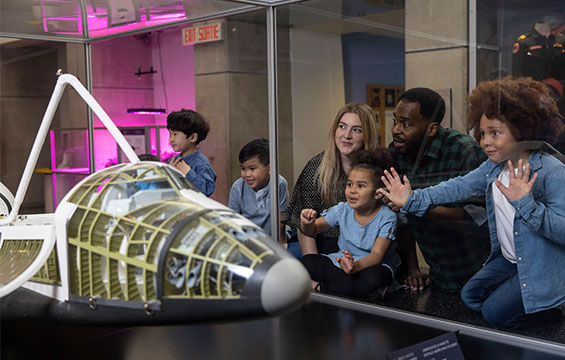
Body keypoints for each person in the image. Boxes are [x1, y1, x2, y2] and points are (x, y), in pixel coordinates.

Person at [380, 77, 565, 329]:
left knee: (493, 314)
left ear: (522, 131)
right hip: (510, 261)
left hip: (539, 267)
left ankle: (552, 306)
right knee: (471, 296)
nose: (485, 141)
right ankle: (531, 300)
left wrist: (526, 204)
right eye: (482, 133)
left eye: (495, 133)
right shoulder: (493, 166)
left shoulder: (552, 172)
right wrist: (412, 199)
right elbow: (457, 186)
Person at [388, 87, 490, 292]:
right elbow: (402, 221)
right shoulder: (396, 153)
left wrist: (415, 205)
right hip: (438, 275)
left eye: (406, 124)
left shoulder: (464, 150)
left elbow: (478, 219)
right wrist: (413, 268)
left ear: (432, 129)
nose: (396, 130)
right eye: (395, 121)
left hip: (478, 272)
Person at [300, 149, 400, 299]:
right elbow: (312, 230)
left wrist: (354, 267)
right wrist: (306, 223)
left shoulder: (387, 217)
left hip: (370, 266)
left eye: (360, 186)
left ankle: (318, 287)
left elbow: (376, 255)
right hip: (341, 262)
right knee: (307, 261)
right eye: (349, 184)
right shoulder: (343, 209)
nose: (352, 191)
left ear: (378, 193)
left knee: (374, 277)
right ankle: (352, 290)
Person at [283, 103, 380, 256]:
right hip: (327, 249)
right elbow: (303, 227)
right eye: (342, 127)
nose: (346, 135)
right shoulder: (315, 169)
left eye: (356, 130)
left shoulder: (378, 169)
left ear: (367, 135)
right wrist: (315, 272)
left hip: (370, 249)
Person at [228, 138, 289, 248]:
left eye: (252, 168)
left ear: (270, 168)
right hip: (250, 240)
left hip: (273, 237)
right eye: (243, 168)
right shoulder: (237, 188)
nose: (246, 174)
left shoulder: (279, 183)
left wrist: (282, 241)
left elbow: (281, 215)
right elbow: (233, 221)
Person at [167, 109, 216, 196]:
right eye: (170, 134)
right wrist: (167, 172)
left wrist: (188, 172)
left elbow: (207, 190)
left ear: (193, 137)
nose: (171, 139)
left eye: (175, 134)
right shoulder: (173, 160)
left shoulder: (201, 163)